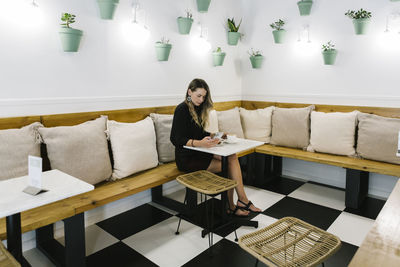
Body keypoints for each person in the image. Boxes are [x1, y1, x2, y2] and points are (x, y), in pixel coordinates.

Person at [170, 78, 261, 216]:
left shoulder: (198, 108)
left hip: (199, 152)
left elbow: (199, 133)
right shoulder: (181, 109)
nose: (201, 100)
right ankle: (233, 204)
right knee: (229, 165)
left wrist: (214, 135)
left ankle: (238, 201)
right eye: (198, 96)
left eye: (204, 96)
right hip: (187, 158)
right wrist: (199, 143)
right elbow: (176, 139)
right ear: (190, 91)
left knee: (231, 156)